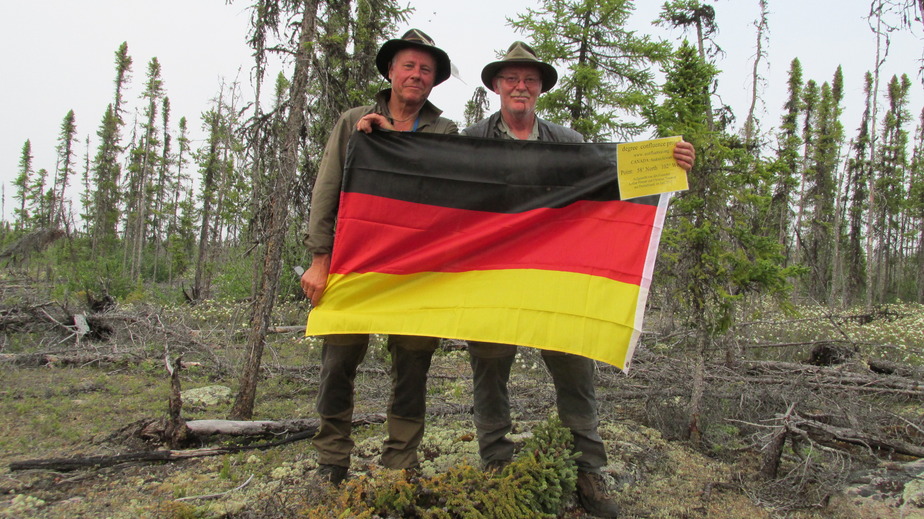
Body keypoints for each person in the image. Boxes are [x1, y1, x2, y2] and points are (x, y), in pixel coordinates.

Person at [462, 41, 695, 518]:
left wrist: (667, 160)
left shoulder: (565, 141)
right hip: (492, 279)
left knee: (574, 371)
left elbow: (609, 172)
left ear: (540, 88)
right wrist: (385, 142)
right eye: (511, 79)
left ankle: (590, 472)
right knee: (489, 373)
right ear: (496, 86)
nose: (520, 86)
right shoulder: (470, 140)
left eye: (529, 79)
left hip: (555, 277)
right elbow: (429, 177)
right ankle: (496, 467)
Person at [300, 28, 458, 485]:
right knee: (337, 365)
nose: (416, 75)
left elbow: (456, 189)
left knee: (412, 369)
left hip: (417, 272)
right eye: (408, 66)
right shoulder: (354, 123)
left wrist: (395, 145)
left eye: (425, 69)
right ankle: (332, 460)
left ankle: (400, 463)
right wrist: (319, 259)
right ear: (391, 71)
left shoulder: (445, 132)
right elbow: (326, 191)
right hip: (353, 264)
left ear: (434, 81)